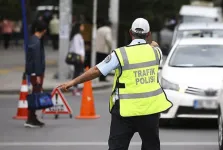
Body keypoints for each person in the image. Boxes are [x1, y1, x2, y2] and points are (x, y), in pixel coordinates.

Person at [59, 18, 173, 150]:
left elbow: (97, 70)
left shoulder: (120, 54)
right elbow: (155, 45)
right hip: (150, 111)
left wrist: (73, 81)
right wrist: (152, 43)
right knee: (151, 146)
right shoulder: (156, 52)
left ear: (131, 33)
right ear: (148, 34)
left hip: (125, 112)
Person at [25, 20, 47, 128]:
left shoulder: (33, 39)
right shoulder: (36, 42)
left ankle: (32, 117)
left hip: (33, 73)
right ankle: (30, 119)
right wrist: (37, 75)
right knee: (35, 95)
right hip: (36, 73)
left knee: (35, 95)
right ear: (44, 30)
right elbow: (36, 60)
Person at [68, 22, 85, 96]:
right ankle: (75, 89)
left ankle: (76, 88)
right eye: (82, 25)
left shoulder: (77, 35)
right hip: (78, 57)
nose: (83, 27)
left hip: (78, 56)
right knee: (77, 73)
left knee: (77, 72)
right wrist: (81, 56)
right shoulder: (77, 36)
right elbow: (77, 48)